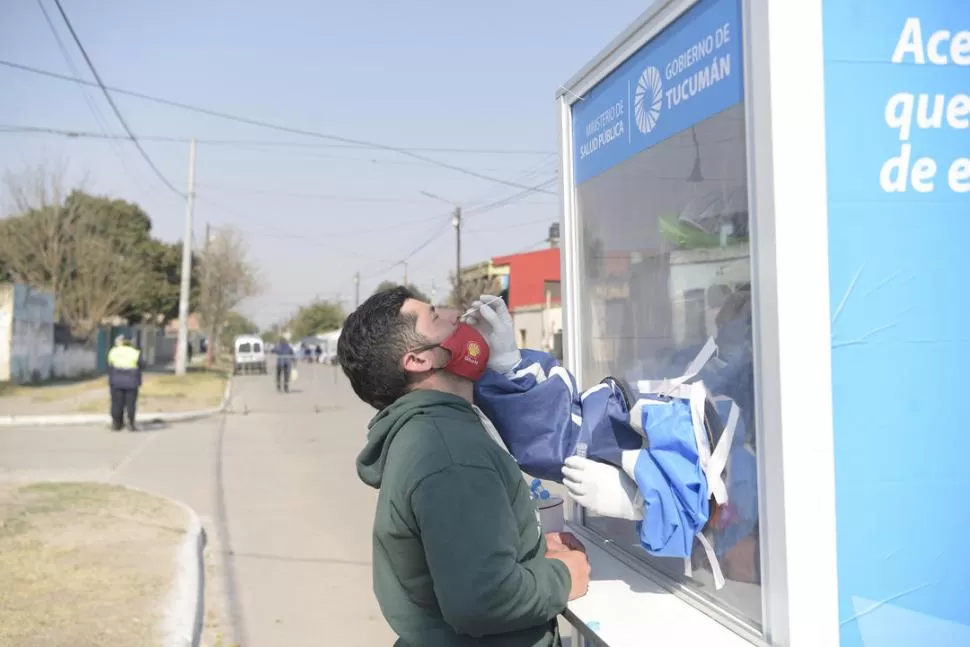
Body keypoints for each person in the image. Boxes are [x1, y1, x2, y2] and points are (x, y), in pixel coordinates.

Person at [337, 287, 590, 647]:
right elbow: (484, 601)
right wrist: (564, 576)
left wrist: (526, 549)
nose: (457, 315)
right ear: (418, 361)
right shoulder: (449, 451)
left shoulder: (435, 431)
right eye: (437, 317)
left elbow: (463, 559)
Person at [106, 334, 145, 431]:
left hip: (116, 382)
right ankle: (131, 424)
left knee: (116, 403)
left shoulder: (113, 351)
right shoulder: (135, 352)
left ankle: (116, 424)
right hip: (131, 382)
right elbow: (143, 365)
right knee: (130, 404)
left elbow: (109, 365)